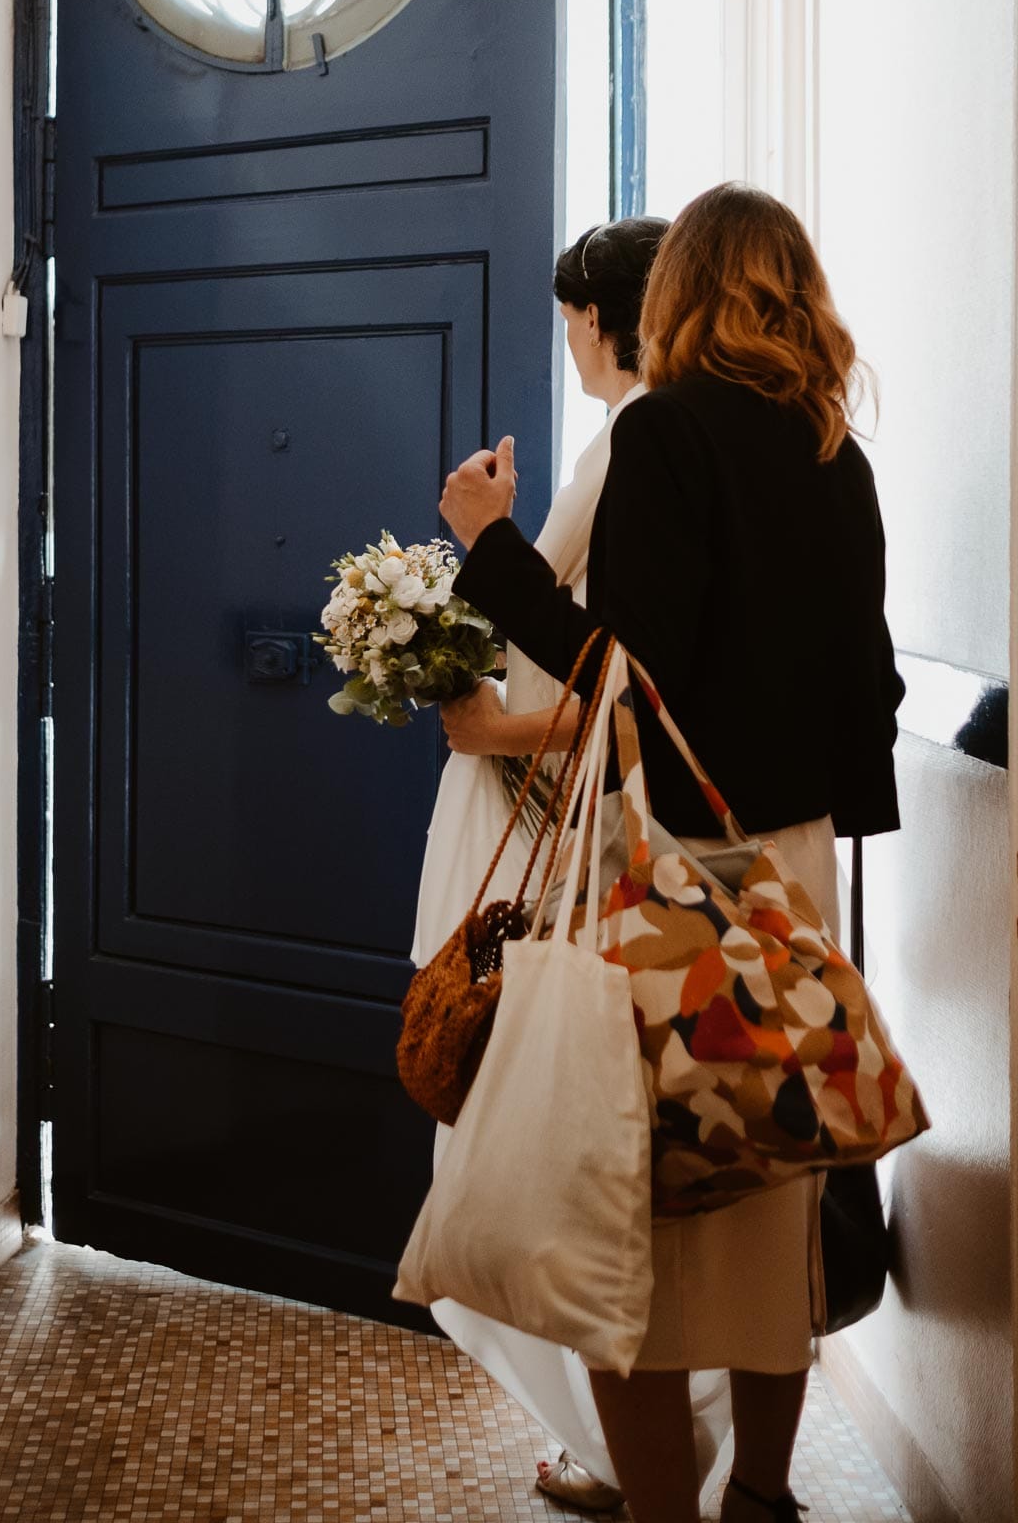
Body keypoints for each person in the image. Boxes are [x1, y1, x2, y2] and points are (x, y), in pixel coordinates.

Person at [441, 184, 904, 1523]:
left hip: (670, 869)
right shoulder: (838, 454)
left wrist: (489, 547)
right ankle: (760, 1495)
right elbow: (868, 686)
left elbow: (621, 668)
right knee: (773, 1215)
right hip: (795, 869)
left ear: (680, 295)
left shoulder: (664, 438)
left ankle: (657, 1512)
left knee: (620, 1220)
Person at [413, 215, 732, 1516]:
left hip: (583, 820)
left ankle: (640, 1448)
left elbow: (637, 678)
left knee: (571, 1141)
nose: (571, 345)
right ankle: (643, 1441)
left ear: (610, 317)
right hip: (558, 799)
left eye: (570, 320)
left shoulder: (644, 440)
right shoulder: (649, 439)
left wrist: (490, 721)